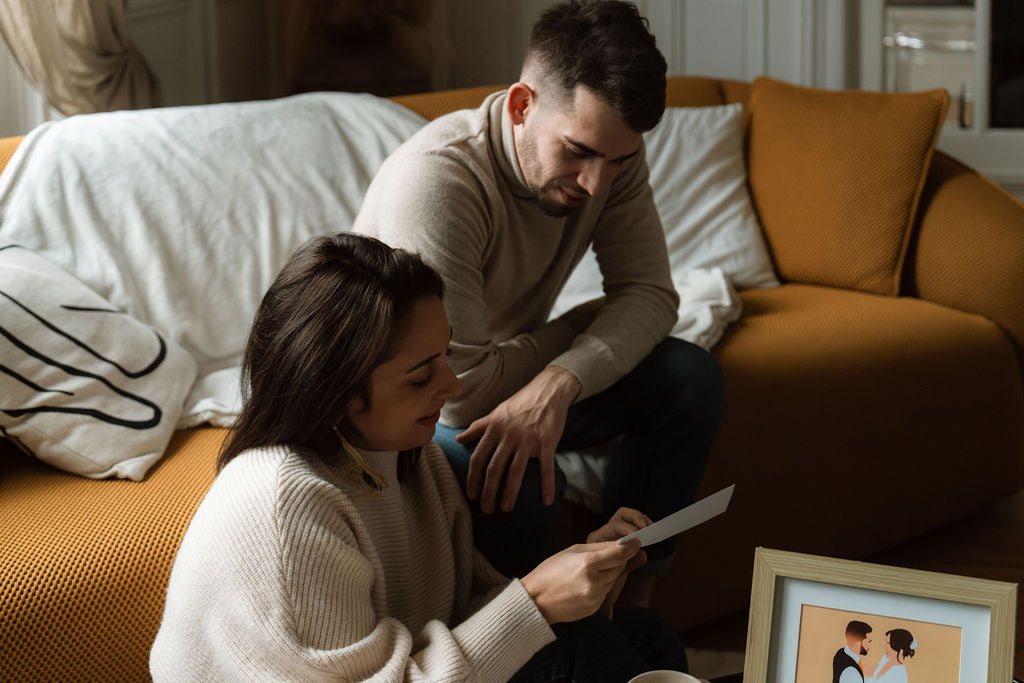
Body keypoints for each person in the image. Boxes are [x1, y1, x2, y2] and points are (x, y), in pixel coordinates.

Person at [150, 233, 690, 680]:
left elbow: (461, 615)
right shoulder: (289, 506)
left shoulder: (407, 454)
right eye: (421, 374)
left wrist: (578, 572)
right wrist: (535, 602)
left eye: (446, 356)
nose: (452, 385)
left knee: (644, 637)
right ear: (336, 390)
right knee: (587, 651)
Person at [353, 0, 725, 588]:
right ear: (522, 105)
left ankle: (628, 604)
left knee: (689, 377)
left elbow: (651, 294)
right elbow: (460, 391)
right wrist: (579, 330)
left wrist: (560, 381)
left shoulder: (611, 154)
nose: (596, 183)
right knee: (513, 474)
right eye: (577, 152)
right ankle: (538, 653)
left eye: (618, 161)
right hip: (416, 402)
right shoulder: (437, 182)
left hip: (504, 373)